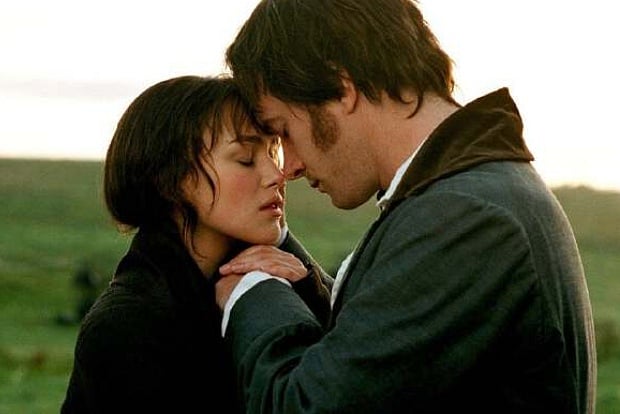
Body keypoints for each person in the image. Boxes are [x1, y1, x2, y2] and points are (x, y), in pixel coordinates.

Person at [214, 0, 598, 413]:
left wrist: (254, 292)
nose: (289, 167)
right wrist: (310, 288)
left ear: (341, 87)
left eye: (284, 131)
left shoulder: (464, 216)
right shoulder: (476, 191)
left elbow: (304, 406)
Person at [60, 75, 332, 413]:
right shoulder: (127, 328)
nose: (277, 175)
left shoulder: (267, 274)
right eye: (246, 159)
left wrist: (305, 283)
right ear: (172, 180)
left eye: (272, 152)